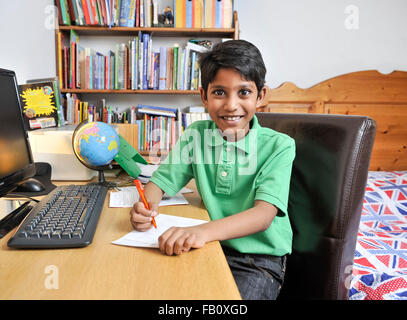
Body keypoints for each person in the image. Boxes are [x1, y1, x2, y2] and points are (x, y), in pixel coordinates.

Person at [129, 40, 296, 300]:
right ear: (204, 96)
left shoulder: (280, 146)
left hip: (257, 260)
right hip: (207, 247)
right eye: (219, 92)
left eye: (243, 92)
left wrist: (201, 232)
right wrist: (145, 206)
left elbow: (263, 215)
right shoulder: (196, 135)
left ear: (260, 96)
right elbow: (161, 181)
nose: (230, 105)